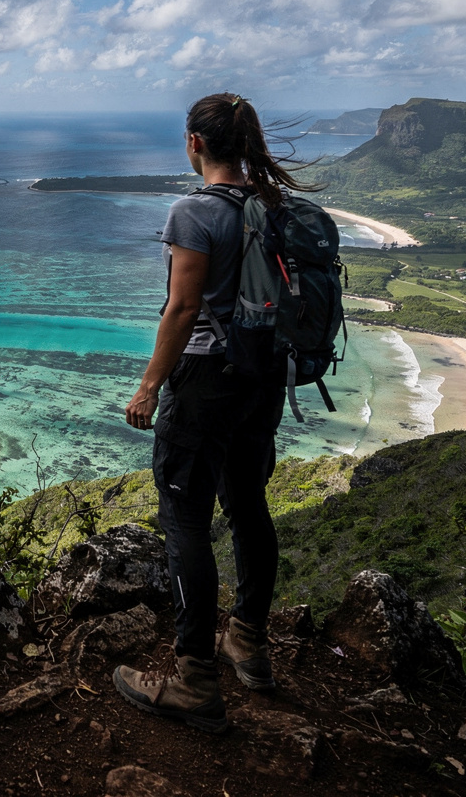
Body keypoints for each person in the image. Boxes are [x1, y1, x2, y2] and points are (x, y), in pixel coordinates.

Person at [112, 93, 316, 734]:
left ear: (194, 142)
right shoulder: (270, 204)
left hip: (205, 379)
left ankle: (196, 678)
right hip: (262, 378)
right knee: (248, 503)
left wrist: (149, 387)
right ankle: (247, 642)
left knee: (185, 522)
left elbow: (180, 310)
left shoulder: (193, 213)